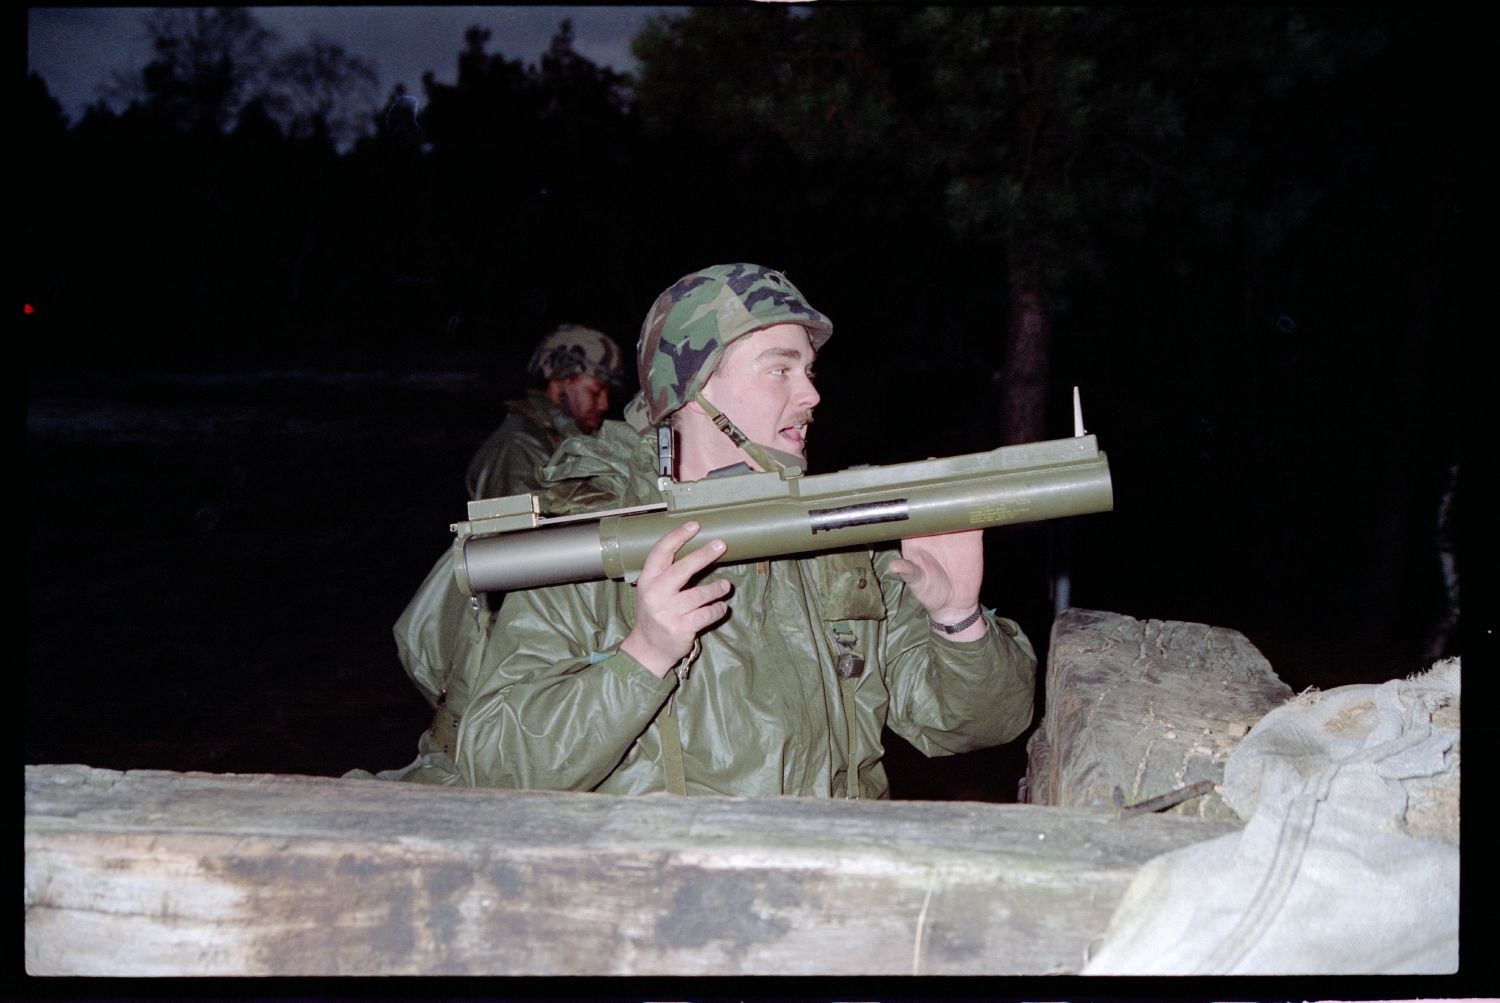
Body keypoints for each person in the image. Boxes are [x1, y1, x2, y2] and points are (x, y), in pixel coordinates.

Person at [406, 263, 1037, 798]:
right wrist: (644, 656)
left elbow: (981, 724)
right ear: (691, 388)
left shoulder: (838, 538)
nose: (811, 394)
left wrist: (958, 621)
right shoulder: (589, 543)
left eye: (810, 371)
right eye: (779, 369)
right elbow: (494, 762)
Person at [465, 324, 626, 501]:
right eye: (595, 392)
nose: (604, 405)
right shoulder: (520, 445)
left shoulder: (566, 440)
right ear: (562, 381)